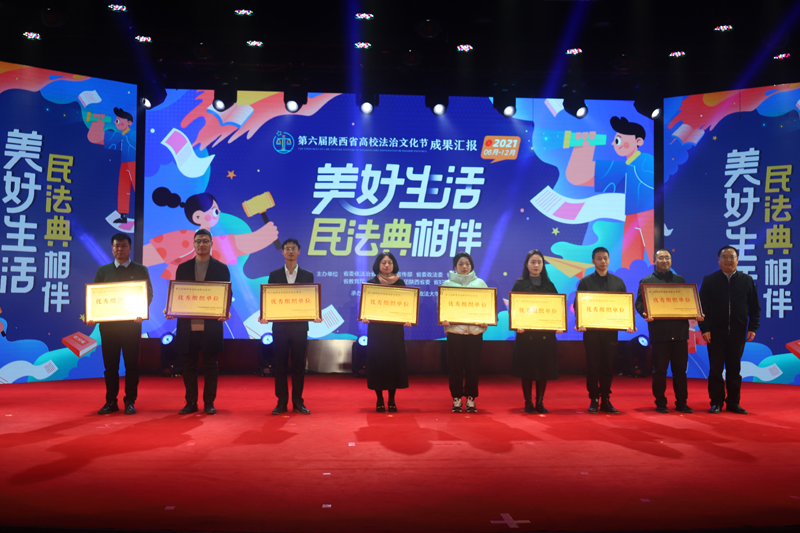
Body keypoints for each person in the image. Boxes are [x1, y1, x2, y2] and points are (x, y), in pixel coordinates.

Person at [566, 117, 654, 269]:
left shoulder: (645, 162)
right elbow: (578, 177)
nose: (614, 143)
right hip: (633, 216)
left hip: (648, 216)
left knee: (654, 256)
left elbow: (582, 176)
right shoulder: (628, 166)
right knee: (630, 264)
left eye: (618, 140)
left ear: (638, 141)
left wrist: (585, 147)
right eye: (615, 140)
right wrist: (583, 148)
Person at [144, 186, 278, 279]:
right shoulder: (183, 240)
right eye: (199, 241)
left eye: (214, 211)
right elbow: (149, 254)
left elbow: (233, 245)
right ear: (195, 218)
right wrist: (261, 236)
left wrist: (263, 236)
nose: (210, 217)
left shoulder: (220, 256)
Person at [165, 229, 231, 415]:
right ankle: (191, 402)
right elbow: (179, 293)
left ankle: (209, 402)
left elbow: (227, 293)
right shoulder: (183, 268)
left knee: (211, 365)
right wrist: (171, 308)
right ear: (193, 244)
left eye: (205, 241)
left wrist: (225, 310)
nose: (202, 244)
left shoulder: (221, 268)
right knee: (188, 366)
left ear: (211, 244)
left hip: (211, 326)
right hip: (188, 326)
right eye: (198, 241)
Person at [88, 233, 153, 415]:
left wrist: (141, 311)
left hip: (131, 326)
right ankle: (111, 401)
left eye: (123, 246)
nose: (120, 249)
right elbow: (94, 296)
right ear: (112, 248)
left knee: (131, 365)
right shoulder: (103, 271)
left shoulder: (140, 270)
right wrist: (92, 315)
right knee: (110, 367)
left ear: (130, 248)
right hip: (108, 327)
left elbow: (148, 294)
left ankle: (130, 401)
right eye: (116, 246)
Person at [635, 249, 700, 414]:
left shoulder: (680, 280)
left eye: (667, 258)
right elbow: (640, 303)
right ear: (655, 261)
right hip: (659, 334)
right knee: (659, 371)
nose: (665, 260)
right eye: (661, 258)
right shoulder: (647, 281)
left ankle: (682, 402)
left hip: (679, 334)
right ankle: (660, 403)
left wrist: (696, 312)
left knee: (680, 371)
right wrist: (644, 313)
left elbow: (688, 301)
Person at [262, 239, 321, 415]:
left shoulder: (307, 275)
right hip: (279, 328)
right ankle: (281, 402)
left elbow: (310, 299)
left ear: (299, 252)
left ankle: (298, 402)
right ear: (282, 252)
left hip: (300, 328)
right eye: (287, 248)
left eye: (293, 248)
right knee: (279, 366)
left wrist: (315, 314)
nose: (290, 251)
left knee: (298, 366)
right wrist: (265, 314)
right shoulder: (274, 275)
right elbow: (270, 299)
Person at [699, 246, 761, 414]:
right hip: (715, 333)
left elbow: (754, 306)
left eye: (731, 257)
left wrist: (753, 327)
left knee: (734, 370)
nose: (728, 260)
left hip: (738, 332)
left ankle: (733, 403)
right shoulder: (710, 280)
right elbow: (702, 307)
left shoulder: (746, 280)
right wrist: (705, 329)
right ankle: (716, 402)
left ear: (737, 260)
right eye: (724, 256)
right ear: (718, 260)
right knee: (716, 370)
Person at [575, 246, 633, 414]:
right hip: (591, 332)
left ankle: (606, 399)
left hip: (610, 332)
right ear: (593, 261)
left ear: (609, 260)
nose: (603, 261)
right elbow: (578, 305)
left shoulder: (618, 282)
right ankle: (594, 398)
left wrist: (628, 323)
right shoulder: (585, 282)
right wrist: (580, 322)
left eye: (605, 258)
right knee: (593, 365)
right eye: (599, 258)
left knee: (608, 366)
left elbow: (624, 307)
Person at [511, 250, 562, 414]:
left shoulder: (549, 285)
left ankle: (540, 402)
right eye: (533, 262)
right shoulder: (519, 285)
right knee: (527, 370)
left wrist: (558, 324)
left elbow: (557, 309)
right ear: (527, 264)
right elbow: (514, 310)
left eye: (539, 262)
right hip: (526, 336)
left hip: (545, 336)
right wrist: (516, 325)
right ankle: (528, 402)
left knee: (543, 370)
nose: (536, 265)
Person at [361, 252, 412, 412]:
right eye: (383, 262)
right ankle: (379, 398)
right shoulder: (371, 283)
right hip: (377, 331)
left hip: (395, 331)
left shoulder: (400, 283)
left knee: (393, 363)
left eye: (390, 262)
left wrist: (408, 318)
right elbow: (367, 307)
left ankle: (391, 399)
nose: (387, 265)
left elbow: (406, 306)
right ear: (378, 265)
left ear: (394, 265)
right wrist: (365, 315)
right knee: (378, 363)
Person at [441, 252, 489, 413]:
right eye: (460, 264)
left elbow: (487, 306)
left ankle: (470, 398)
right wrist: (443, 319)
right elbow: (442, 308)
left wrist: (487, 320)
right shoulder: (447, 285)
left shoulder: (480, 284)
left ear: (471, 266)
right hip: (455, 333)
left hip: (474, 333)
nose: (464, 267)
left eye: (467, 264)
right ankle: (456, 398)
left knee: (472, 368)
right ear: (455, 266)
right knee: (455, 368)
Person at [88, 108, 136, 224]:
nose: (115, 122)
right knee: (123, 189)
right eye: (116, 120)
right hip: (125, 163)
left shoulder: (133, 135)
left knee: (138, 186)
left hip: (134, 163)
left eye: (118, 120)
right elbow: (96, 138)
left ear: (129, 122)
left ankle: (147, 212)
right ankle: (123, 215)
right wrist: (98, 122)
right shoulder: (121, 135)